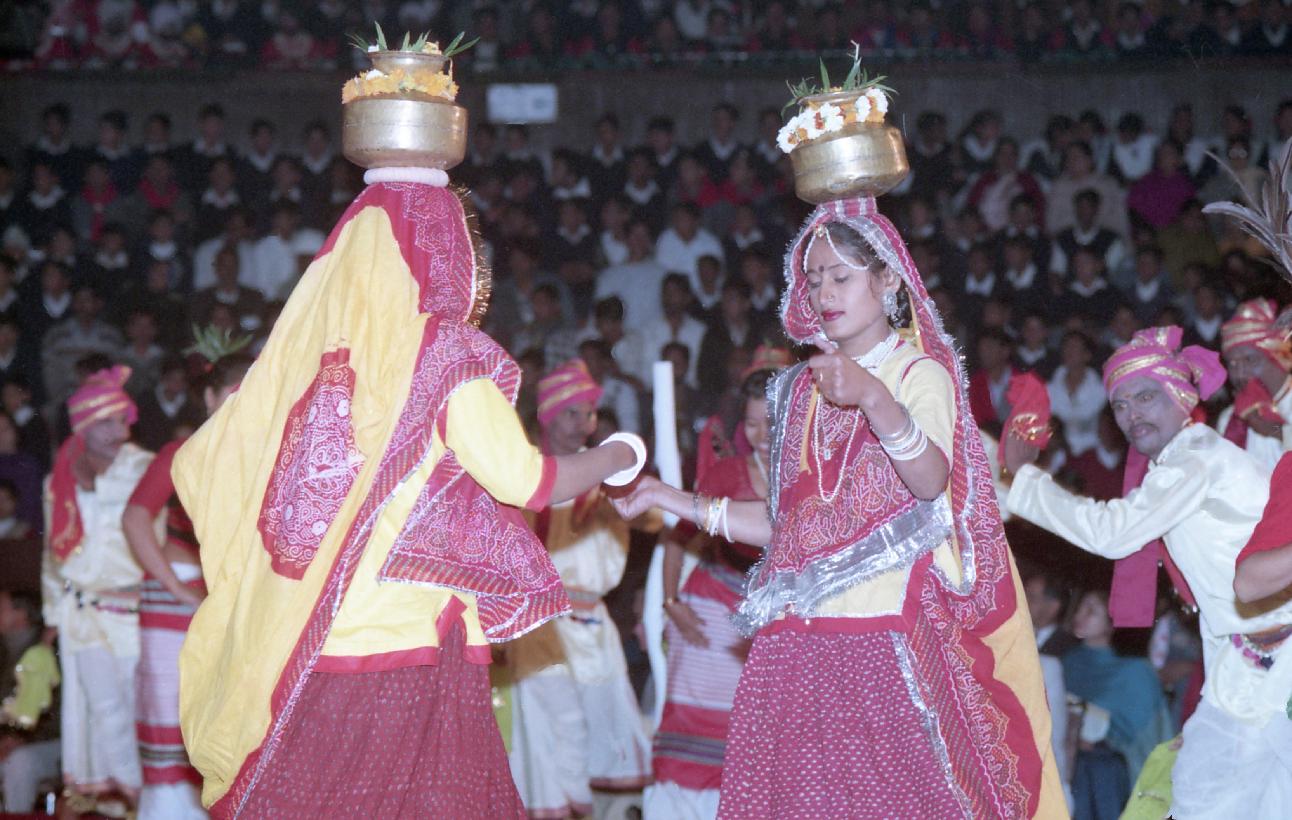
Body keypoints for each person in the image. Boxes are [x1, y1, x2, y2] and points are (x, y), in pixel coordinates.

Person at [173, 179, 646, 817]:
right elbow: (527, 481)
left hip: (312, 638)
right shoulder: (442, 352)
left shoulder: (316, 358)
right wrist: (619, 455)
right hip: (412, 637)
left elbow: (210, 461)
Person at [613, 196, 1063, 818]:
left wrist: (874, 398)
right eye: (814, 278)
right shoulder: (797, 389)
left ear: (889, 281)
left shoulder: (917, 375)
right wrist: (667, 497)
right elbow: (786, 528)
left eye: (840, 277)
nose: (823, 292)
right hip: (796, 641)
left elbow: (931, 480)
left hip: (880, 636)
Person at [1004, 326, 1292, 818]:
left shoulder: (1196, 460)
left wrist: (1025, 480)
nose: (1132, 414)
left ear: (1181, 398)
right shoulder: (1178, 462)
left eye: (1145, 397)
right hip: (1244, 662)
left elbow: (1112, 533)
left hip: (1275, 660)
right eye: (1120, 405)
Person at [506, 360, 651, 817]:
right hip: (540, 622)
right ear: (548, 416)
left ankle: (585, 808)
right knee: (558, 721)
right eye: (572, 413)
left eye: (590, 413)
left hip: (593, 622)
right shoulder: (522, 471)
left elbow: (652, 521)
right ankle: (562, 808)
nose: (584, 423)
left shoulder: (607, 475)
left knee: (601, 723)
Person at [124, 349, 253, 819]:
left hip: (234, 599)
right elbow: (135, 518)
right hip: (174, 594)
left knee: (228, 716)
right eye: (233, 394)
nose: (244, 405)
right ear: (210, 396)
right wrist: (178, 589)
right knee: (168, 710)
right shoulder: (181, 453)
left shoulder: (268, 458)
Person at [645, 367, 773, 820]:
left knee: (760, 740)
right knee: (694, 730)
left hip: (774, 618)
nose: (761, 435)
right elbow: (677, 536)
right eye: (752, 423)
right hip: (712, 612)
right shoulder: (726, 473)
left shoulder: (808, 476)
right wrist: (671, 603)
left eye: (771, 423)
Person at [41, 366, 153, 814]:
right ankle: (122, 801)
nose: (119, 431)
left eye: (123, 420)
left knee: (134, 711)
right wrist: (52, 618)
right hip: (82, 613)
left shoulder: (143, 468)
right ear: (83, 425)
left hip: (131, 610)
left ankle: (143, 802)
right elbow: (52, 556)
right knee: (102, 712)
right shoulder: (59, 478)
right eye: (106, 422)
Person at [1063, 589, 1171, 820]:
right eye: (1080, 607)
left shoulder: (1134, 672)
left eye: (1091, 611)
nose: (1080, 615)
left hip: (1110, 775)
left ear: (1112, 623)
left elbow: (1151, 739)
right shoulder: (1069, 661)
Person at [1, 589, 60, 814]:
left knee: (19, 762)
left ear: (21, 615)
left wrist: (23, 738)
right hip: (16, 740)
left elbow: (56, 712)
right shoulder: (5, 654)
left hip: (53, 743)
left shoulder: (49, 652)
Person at [1216, 298, 1292, 472]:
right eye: (1232, 364)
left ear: (1278, 358)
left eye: (1250, 360)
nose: (1240, 374)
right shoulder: (1229, 418)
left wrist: (1276, 431)